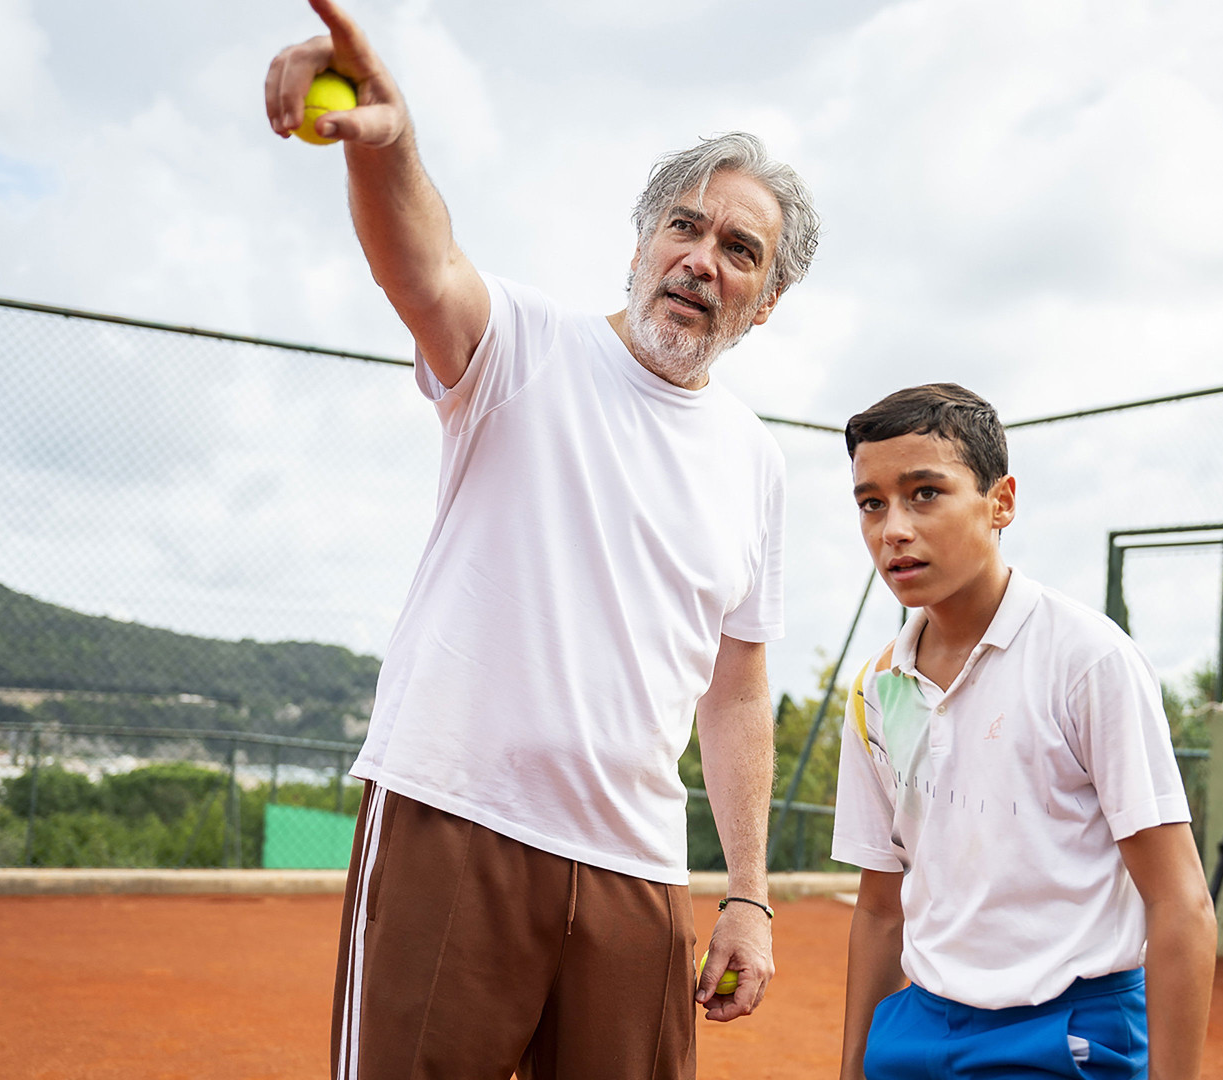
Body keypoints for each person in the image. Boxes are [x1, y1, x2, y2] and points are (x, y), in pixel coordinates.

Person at [261, 3, 821, 1078]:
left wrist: (747, 889)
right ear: (642, 243)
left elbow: (738, 683)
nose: (703, 259)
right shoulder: (523, 347)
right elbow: (423, 267)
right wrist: (392, 147)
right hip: (454, 819)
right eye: (685, 227)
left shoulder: (757, 460)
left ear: (770, 298)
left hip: (634, 870)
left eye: (738, 249)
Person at [829, 384, 1217, 1080]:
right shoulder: (877, 688)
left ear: (1001, 501)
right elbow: (882, 909)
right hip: (916, 1031)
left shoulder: (1088, 660)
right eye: (871, 503)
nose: (893, 528)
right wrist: (854, 1068)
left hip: (1065, 1033)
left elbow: (1179, 900)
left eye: (925, 493)